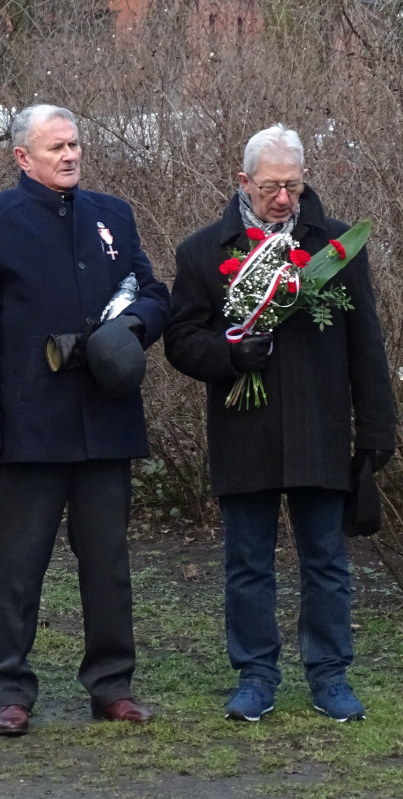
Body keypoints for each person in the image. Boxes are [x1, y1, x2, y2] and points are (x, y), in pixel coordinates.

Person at [0, 104, 170, 736]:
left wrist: (129, 330)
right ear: (23, 157)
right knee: (20, 565)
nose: (70, 155)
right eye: (55, 148)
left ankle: (111, 686)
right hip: (28, 426)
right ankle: (11, 691)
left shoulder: (113, 214)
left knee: (108, 562)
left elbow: (153, 294)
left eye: (74, 144)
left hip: (105, 421)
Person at [165, 124, 396, 723]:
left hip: (320, 427)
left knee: (326, 559)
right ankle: (256, 674)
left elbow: (365, 342)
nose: (284, 198)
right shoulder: (203, 253)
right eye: (271, 187)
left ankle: (329, 674)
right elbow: (181, 340)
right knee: (248, 562)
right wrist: (229, 354)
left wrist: (376, 428)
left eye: (293, 185)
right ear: (243, 182)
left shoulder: (338, 247)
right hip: (246, 432)